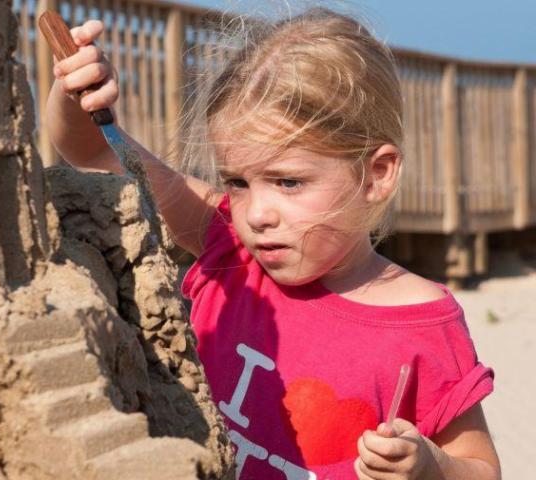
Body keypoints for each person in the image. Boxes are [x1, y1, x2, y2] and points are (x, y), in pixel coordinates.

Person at [45, 7, 500, 480]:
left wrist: (431, 466)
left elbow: (482, 469)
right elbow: (96, 150)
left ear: (376, 175)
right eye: (238, 182)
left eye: (288, 182)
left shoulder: (421, 323)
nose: (257, 214)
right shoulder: (229, 248)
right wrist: (75, 90)